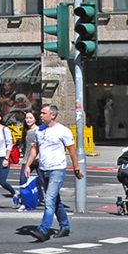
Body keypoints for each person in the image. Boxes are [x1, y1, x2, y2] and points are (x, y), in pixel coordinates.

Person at [23, 103, 82, 241]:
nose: (41, 115)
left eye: (44, 113)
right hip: (43, 169)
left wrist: (76, 167)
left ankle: (43, 230)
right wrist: (27, 165)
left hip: (57, 169)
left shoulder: (63, 131)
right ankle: (65, 226)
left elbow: (72, 151)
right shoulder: (39, 130)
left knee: (49, 199)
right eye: (41, 113)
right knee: (55, 201)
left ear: (53, 115)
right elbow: (34, 149)